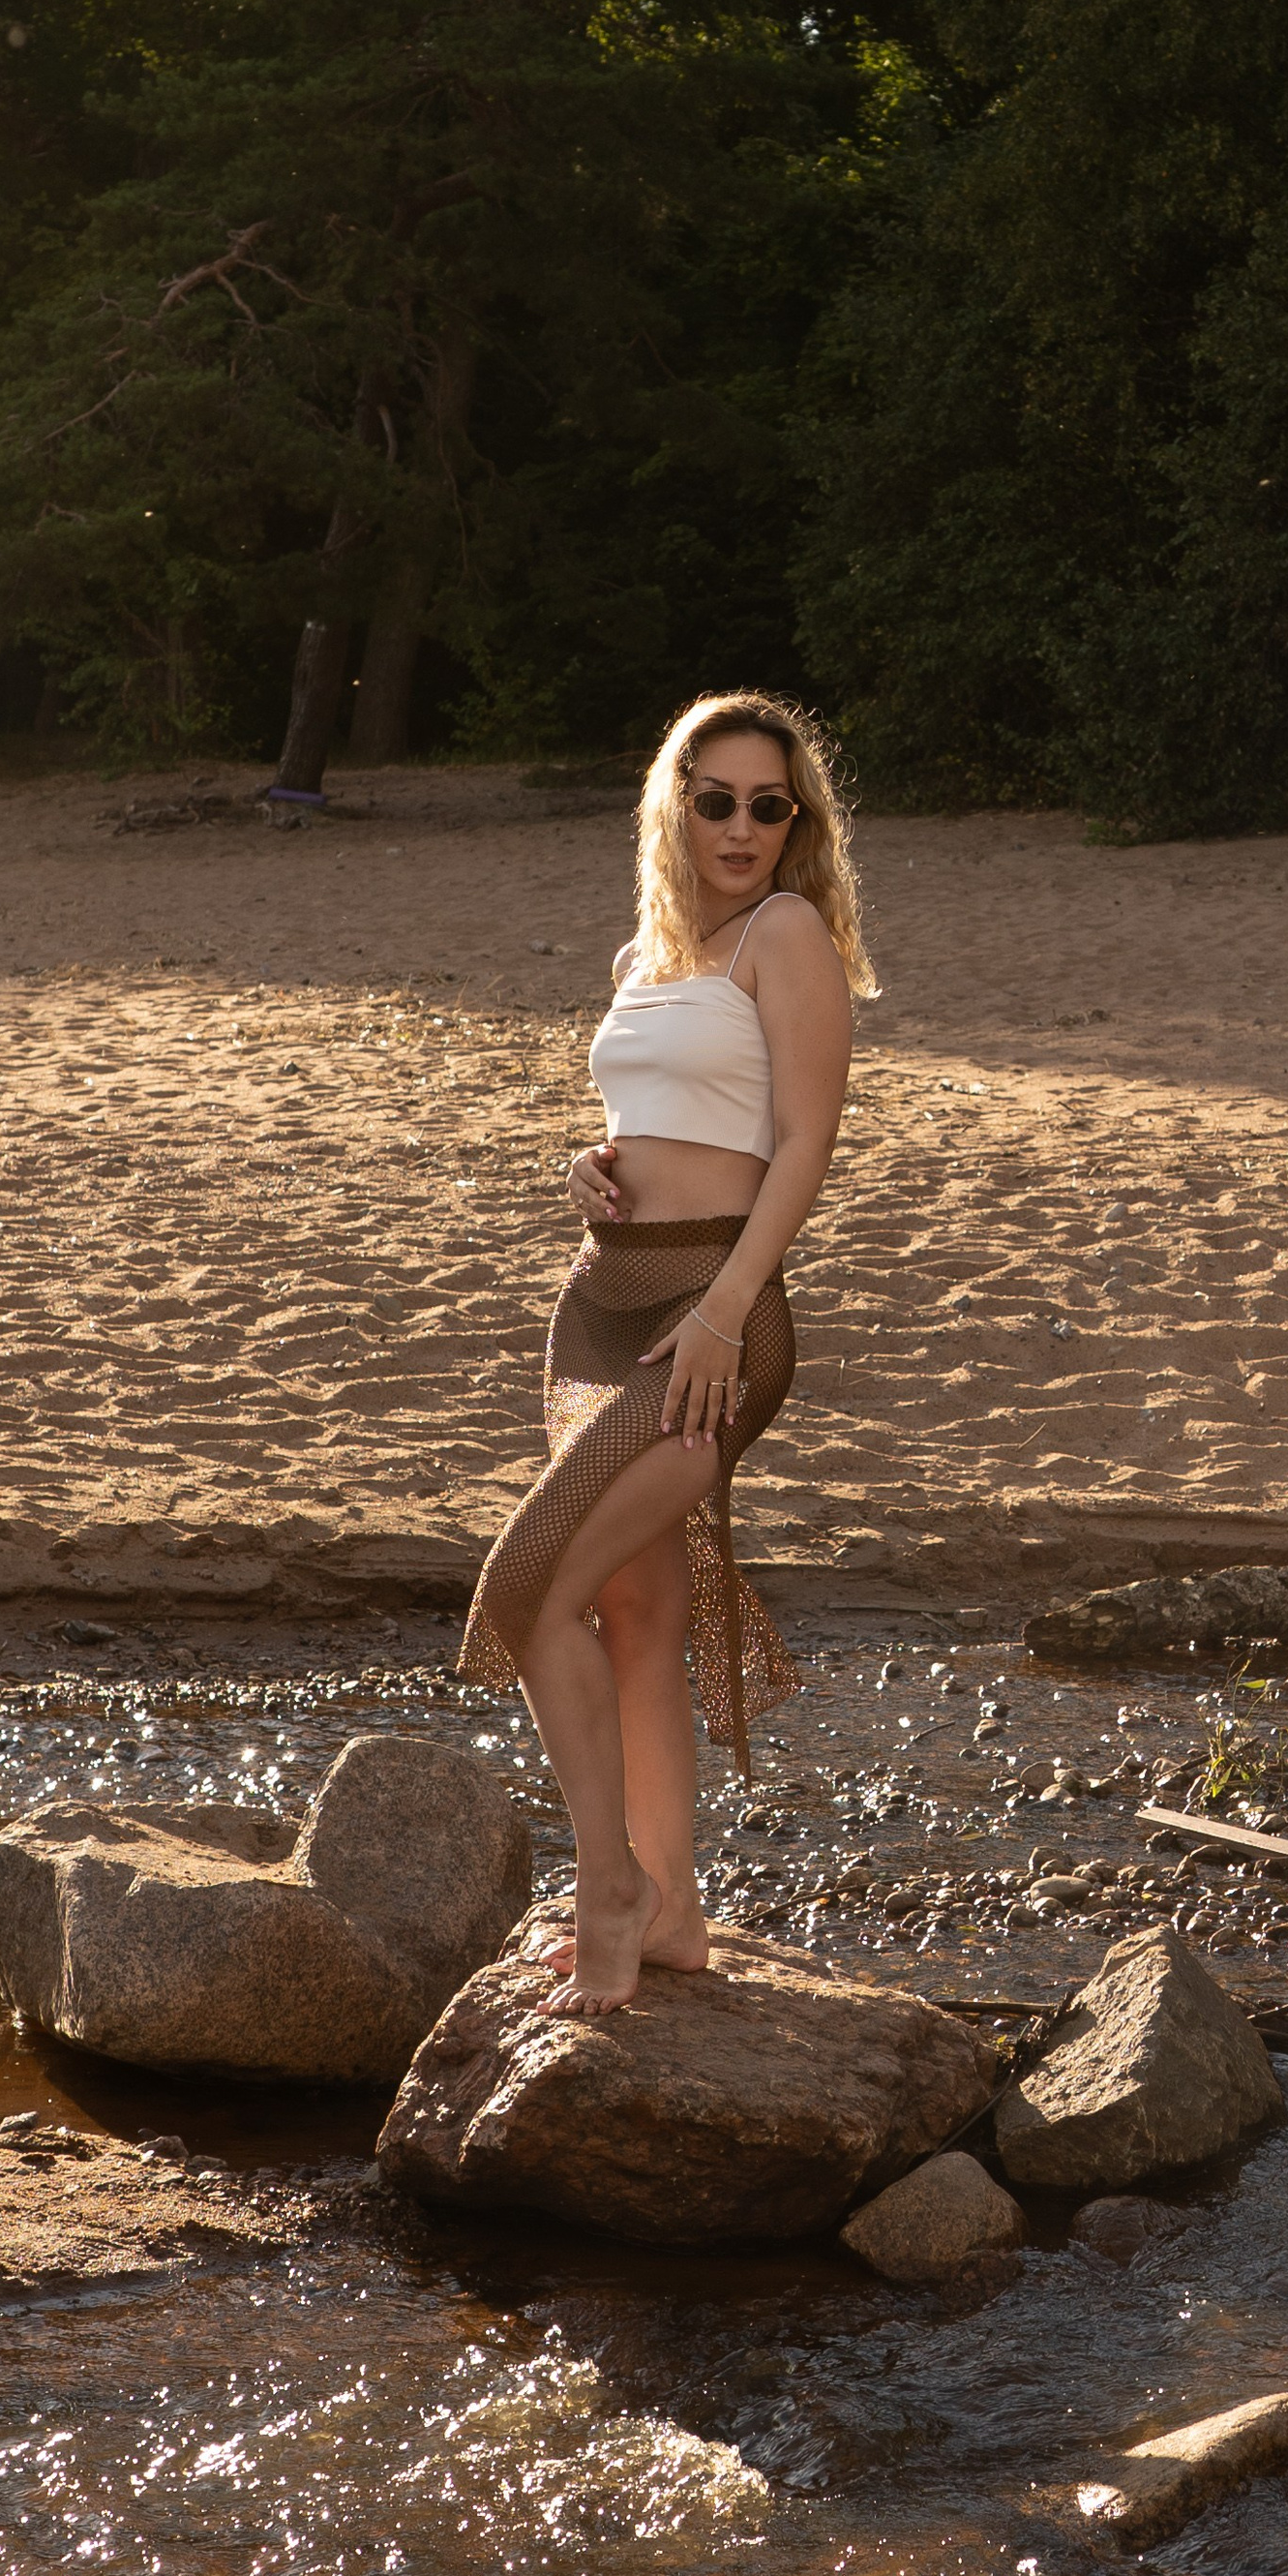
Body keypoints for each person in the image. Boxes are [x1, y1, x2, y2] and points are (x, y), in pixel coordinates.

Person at [459, 691, 871, 2011]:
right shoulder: (654, 950)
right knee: (633, 1616)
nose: (743, 827)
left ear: (794, 821)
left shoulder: (786, 933)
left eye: (769, 805)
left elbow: (803, 1142)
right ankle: (677, 1908)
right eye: (717, 801)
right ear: (674, 805)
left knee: (526, 1594)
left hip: (712, 1314)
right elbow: (654, 1109)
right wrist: (593, 1165)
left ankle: (610, 1892)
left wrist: (725, 1309)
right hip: (597, 1306)